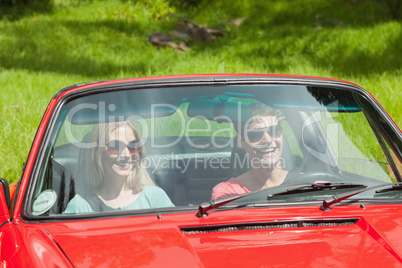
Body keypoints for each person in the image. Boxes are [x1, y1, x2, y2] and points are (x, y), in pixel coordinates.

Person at [64, 121, 174, 213]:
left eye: (133, 146)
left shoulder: (155, 198)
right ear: (97, 152)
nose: (126, 155)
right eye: (115, 146)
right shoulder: (80, 207)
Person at [211, 103, 288, 200]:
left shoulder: (308, 184)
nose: (268, 140)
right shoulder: (228, 193)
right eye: (255, 135)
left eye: (273, 131)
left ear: (281, 133)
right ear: (241, 141)